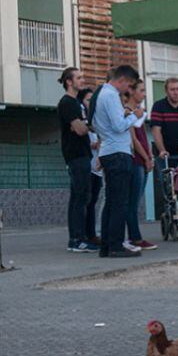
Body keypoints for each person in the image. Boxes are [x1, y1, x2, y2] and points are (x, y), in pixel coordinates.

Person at [92, 65, 144, 258]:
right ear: (121, 80)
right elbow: (119, 125)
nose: (128, 90)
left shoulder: (100, 93)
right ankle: (115, 245)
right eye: (129, 85)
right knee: (120, 202)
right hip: (118, 152)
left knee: (112, 202)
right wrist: (133, 116)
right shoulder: (111, 95)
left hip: (108, 150)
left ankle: (107, 245)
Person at [57, 67, 98, 253]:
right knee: (79, 197)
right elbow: (80, 129)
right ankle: (76, 239)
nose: (83, 80)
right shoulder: (67, 103)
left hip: (84, 154)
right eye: (79, 78)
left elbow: (83, 127)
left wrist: (85, 126)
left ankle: (80, 237)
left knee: (83, 196)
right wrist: (85, 127)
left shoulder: (77, 103)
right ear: (69, 81)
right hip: (76, 156)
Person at [124, 79, 158, 251]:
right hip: (135, 161)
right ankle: (134, 237)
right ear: (132, 91)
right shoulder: (128, 111)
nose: (144, 94)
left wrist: (150, 154)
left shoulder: (139, 112)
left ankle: (135, 236)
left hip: (143, 159)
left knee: (135, 200)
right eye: (142, 90)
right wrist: (146, 157)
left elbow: (143, 136)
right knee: (133, 201)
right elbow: (133, 140)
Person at [79, 88, 102, 245]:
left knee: (93, 201)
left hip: (98, 167)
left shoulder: (96, 117)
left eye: (92, 100)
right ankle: (83, 235)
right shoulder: (81, 118)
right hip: (87, 165)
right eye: (88, 100)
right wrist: (94, 144)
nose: (90, 103)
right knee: (85, 201)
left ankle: (92, 234)